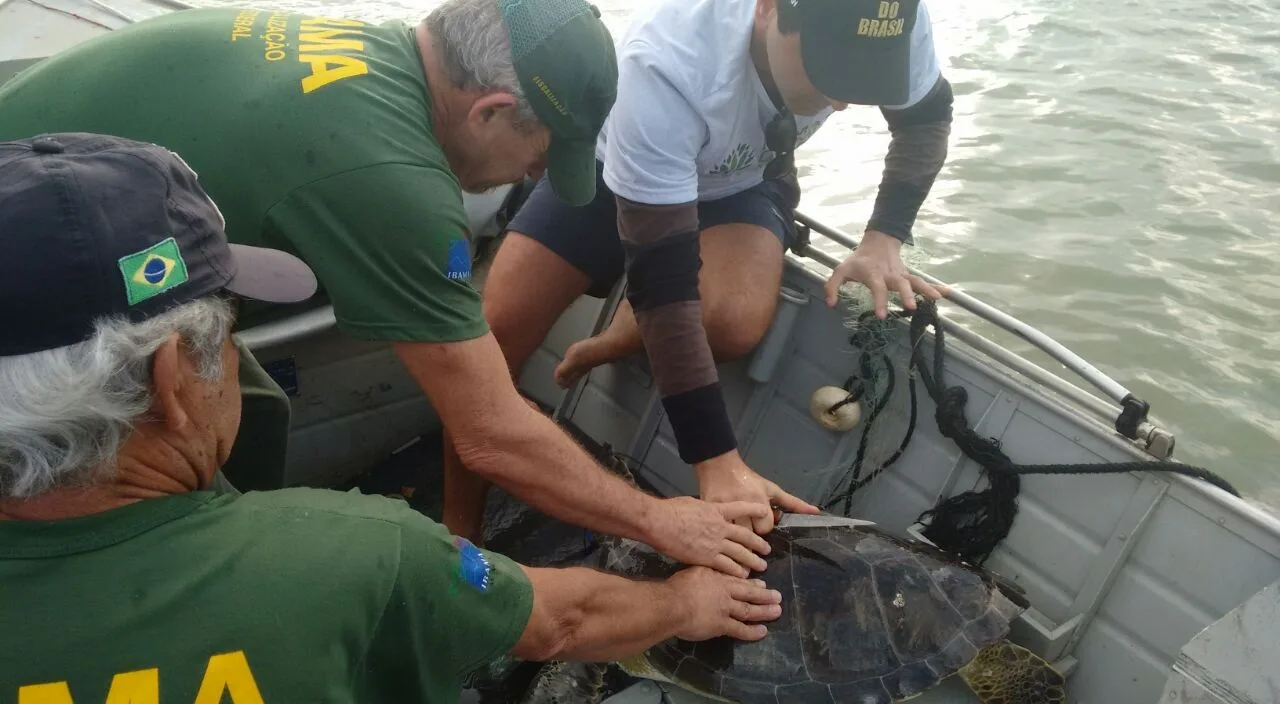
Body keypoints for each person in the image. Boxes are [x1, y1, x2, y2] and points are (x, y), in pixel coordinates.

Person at [0, 0, 778, 578]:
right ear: (491, 111)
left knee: (256, 412)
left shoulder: (380, 49)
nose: (537, 176)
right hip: (35, 276)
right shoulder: (391, 182)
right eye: (542, 156)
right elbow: (490, 431)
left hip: (40, 179)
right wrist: (662, 522)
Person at [0, 133, 786, 704]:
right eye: (228, 335)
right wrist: (686, 603)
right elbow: (558, 621)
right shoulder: (364, 557)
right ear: (171, 382)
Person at [475, 0, 953, 536]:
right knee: (490, 340)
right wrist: (717, 460)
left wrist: (884, 236)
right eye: (830, 70)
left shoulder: (894, 17)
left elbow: (927, 114)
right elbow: (663, 278)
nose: (841, 102)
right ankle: (459, 524)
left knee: (732, 323)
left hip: (741, 179)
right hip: (616, 171)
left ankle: (619, 338)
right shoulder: (669, 60)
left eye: (865, 78)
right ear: (769, 2)